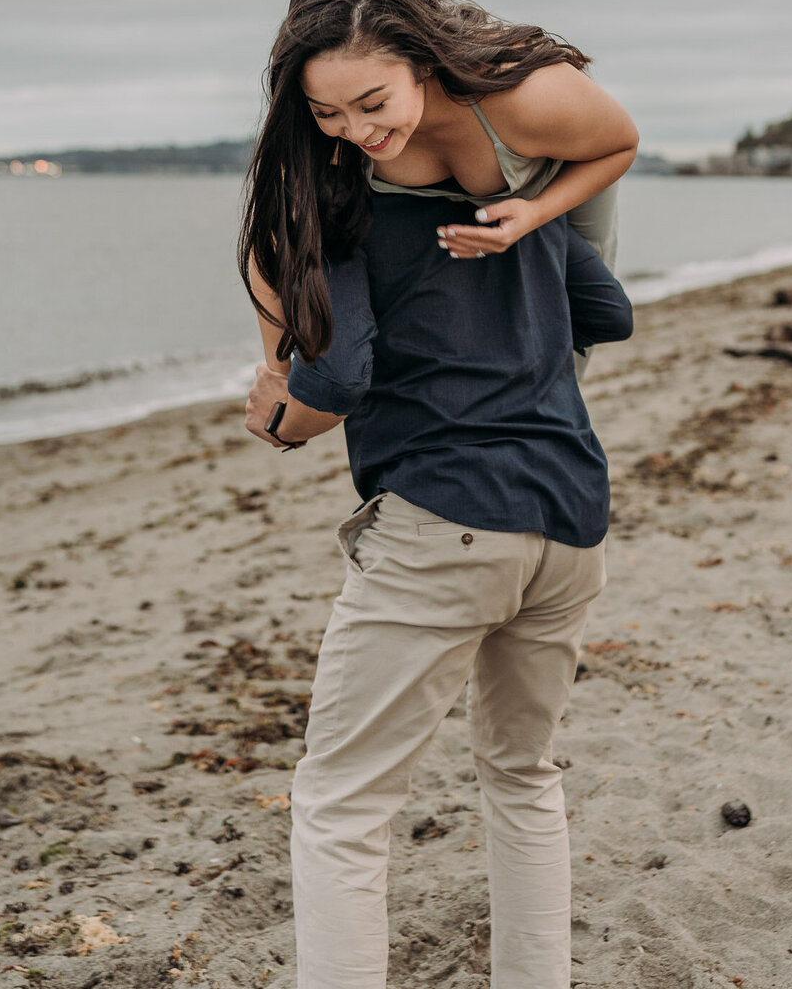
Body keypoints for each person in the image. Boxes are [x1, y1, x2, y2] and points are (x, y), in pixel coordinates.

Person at [243, 185, 634, 989]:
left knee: (342, 806)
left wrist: (280, 414)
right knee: (523, 775)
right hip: (568, 516)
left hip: (446, 521)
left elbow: (339, 378)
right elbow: (608, 311)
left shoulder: (339, 211)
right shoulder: (515, 199)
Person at [238, 0, 639, 373]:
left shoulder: (528, 98)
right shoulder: (324, 134)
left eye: (373, 104)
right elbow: (272, 237)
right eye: (327, 112)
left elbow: (621, 146)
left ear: (422, 64)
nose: (356, 132)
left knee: (580, 319)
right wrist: (279, 374)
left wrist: (536, 212)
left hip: (564, 171)